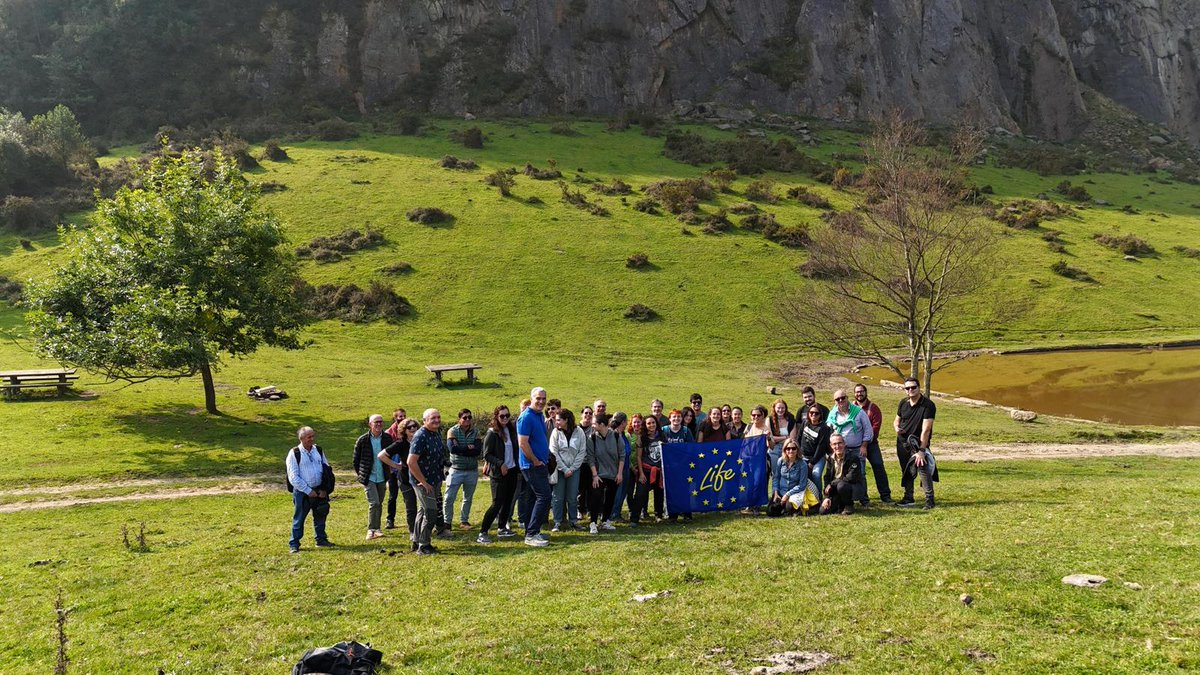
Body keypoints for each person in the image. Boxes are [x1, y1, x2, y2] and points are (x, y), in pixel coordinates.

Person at [286, 426, 333, 553]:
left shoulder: (318, 450)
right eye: (309, 437)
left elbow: (327, 470)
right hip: (302, 493)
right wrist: (308, 491)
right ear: (301, 438)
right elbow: (293, 477)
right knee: (299, 519)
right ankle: (294, 544)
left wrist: (324, 489)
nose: (312, 439)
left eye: (313, 436)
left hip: (319, 490)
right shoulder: (294, 453)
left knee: (321, 515)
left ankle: (321, 540)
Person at [478, 405, 520, 544]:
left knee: (508, 501)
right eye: (502, 416)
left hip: (512, 470)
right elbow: (487, 455)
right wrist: (500, 463)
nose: (505, 418)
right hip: (498, 473)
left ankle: (502, 528)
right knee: (497, 503)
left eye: (507, 415)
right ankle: (483, 532)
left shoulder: (511, 430)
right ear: (496, 416)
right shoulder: (492, 433)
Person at [407, 408, 447, 554]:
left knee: (423, 510)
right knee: (431, 511)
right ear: (425, 421)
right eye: (433, 418)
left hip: (434, 479)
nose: (436, 420)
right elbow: (411, 462)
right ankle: (424, 545)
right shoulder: (420, 436)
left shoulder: (435, 434)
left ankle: (416, 541)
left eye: (438, 417)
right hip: (423, 481)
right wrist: (423, 482)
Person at [518, 387, 553, 547]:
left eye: (543, 398)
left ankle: (532, 531)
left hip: (539, 463)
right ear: (532, 398)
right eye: (538, 398)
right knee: (544, 497)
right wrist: (535, 460)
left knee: (533, 498)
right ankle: (531, 534)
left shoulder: (539, 416)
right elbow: (522, 443)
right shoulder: (526, 417)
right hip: (531, 465)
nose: (541, 401)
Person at [894, 377, 937, 509]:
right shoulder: (903, 403)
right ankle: (908, 497)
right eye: (907, 388)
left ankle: (929, 500)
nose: (910, 390)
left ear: (919, 388)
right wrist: (896, 427)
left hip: (918, 443)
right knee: (906, 470)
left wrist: (922, 451)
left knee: (922, 468)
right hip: (902, 442)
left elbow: (926, 429)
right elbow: (896, 420)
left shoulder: (928, 405)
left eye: (913, 387)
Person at [378, 419, 420, 546]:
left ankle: (423, 530)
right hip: (406, 480)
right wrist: (396, 465)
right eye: (409, 427)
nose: (413, 429)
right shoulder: (400, 443)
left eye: (415, 426)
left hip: (422, 479)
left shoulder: (420, 441)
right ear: (404, 431)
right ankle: (413, 532)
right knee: (411, 507)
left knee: (425, 507)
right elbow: (381, 455)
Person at [353, 414, 394, 541]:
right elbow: (356, 460)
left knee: (379, 503)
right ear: (370, 424)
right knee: (374, 503)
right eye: (376, 422)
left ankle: (377, 529)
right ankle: (371, 530)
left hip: (382, 476)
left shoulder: (387, 438)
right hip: (369, 477)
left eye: (381, 422)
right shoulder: (362, 440)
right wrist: (362, 475)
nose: (379, 424)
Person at [853, 384, 892, 505]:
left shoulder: (873, 408)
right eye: (857, 392)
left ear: (866, 392)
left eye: (862, 391)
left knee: (878, 466)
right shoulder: (851, 407)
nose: (860, 394)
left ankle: (885, 495)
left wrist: (865, 441)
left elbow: (875, 427)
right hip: (855, 446)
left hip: (871, 444)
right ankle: (862, 497)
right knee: (859, 471)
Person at [549, 407, 587, 532]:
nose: (557, 422)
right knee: (558, 497)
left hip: (574, 470)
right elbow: (554, 452)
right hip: (559, 470)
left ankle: (573, 521)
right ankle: (557, 522)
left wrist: (572, 468)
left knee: (572, 496)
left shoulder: (579, 432)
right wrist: (564, 469)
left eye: (559, 420)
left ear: (566, 420)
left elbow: (582, 451)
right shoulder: (555, 432)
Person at [586, 413, 624, 533]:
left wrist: (619, 473)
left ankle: (605, 521)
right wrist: (595, 475)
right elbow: (590, 458)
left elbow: (622, 455)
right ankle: (593, 522)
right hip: (599, 474)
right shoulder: (592, 438)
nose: (592, 426)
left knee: (610, 497)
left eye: (594, 423)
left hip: (613, 474)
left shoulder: (616, 436)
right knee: (596, 496)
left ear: (602, 424)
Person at [444, 408, 481, 530]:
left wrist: (462, 448)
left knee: (468, 498)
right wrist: (468, 448)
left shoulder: (476, 432)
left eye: (469, 417)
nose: (467, 420)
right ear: (459, 419)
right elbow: (453, 449)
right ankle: (447, 522)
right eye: (465, 417)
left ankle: (464, 521)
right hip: (456, 469)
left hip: (472, 470)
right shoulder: (452, 431)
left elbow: (477, 451)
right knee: (449, 497)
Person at [661, 409, 695, 522]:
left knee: (685, 489)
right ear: (669, 419)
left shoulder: (686, 431)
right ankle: (673, 514)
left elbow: (691, 448)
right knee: (672, 489)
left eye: (679, 417)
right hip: (669, 466)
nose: (676, 419)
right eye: (674, 417)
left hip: (683, 465)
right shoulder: (664, 430)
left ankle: (687, 514)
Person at [633, 414, 666, 524]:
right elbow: (638, 457)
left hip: (659, 470)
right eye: (648, 423)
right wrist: (641, 474)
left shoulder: (662, 436)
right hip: (646, 470)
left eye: (653, 423)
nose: (651, 425)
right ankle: (635, 518)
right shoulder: (641, 438)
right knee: (640, 493)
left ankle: (658, 515)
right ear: (645, 425)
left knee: (659, 493)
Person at [821, 434, 860, 515]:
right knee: (823, 511)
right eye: (834, 444)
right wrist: (826, 497)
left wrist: (833, 483)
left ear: (844, 443)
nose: (837, 446)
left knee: (841, 485)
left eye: (840, 443)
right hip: (835, 489)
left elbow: (851, 477)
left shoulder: (853, 458)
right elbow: (827, 477)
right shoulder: (829, 458)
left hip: (850, 487)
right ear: (831, 446)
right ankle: (840, 505)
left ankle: (849, 505)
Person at [797, 405, 832, 494]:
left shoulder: (823, 428)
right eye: (811, 413)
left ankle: (818, 497)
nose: (813, 415)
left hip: (818, 458)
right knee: (801, 475)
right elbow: (799, 438)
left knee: (816, 475)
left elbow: (821, 447)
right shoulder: (805, 423)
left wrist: (812, 462)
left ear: (820, 415)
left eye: (816, 413)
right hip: (803, 456)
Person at [608, 412, 636, 522]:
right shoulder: (613, 434)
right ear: (623, 422)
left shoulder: (623, 434)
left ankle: (617, 513)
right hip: (616, 468)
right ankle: (612, 514)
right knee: (617, 493)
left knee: (623, 492)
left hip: (626, 468)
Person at [770, 439, 808, 516]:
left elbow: (802, 485)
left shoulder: (802, 464)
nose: (791, 451)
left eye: (793, 448)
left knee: (789, 508)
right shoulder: (780, 461)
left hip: (794, 493)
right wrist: (776, 492)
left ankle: (794, 509)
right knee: (771, 512)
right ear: (785, 450)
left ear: (797, 450)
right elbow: (776, 478)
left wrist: (787, 495)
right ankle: (785, 510)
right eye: (788, 448)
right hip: (780, 492)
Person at [383, 408, 407, 529]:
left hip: (404, 468)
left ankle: (410, 518)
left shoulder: (407, 432)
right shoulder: (388, 434)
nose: (402, 418)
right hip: (392, 468)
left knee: (407, 495)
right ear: (395, 418)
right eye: (400, 416)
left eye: (404, 416)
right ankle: (390, 519)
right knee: (393, 495)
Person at [577, 405, 595, 519]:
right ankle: (579, 509)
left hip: (590, 462)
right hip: (578, 462)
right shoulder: (576, 428)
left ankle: (589, 509)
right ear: (582, 414)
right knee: (579, 488)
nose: (588, 415)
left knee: (590, 488)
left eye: (590, 413)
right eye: (586, 413)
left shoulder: (594, 429)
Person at [768, 398, 795, 471]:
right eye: (778, 408)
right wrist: (785, 437)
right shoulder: (769, 420)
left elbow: (792, 438)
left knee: (786, 471)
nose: (780, 410)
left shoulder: (791, 419)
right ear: (774, 408)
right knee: (775, 473)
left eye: (782, 408)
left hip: (787, 448)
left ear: (785, 408)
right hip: (774, 448)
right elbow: (770, 438)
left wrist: (777, 438)